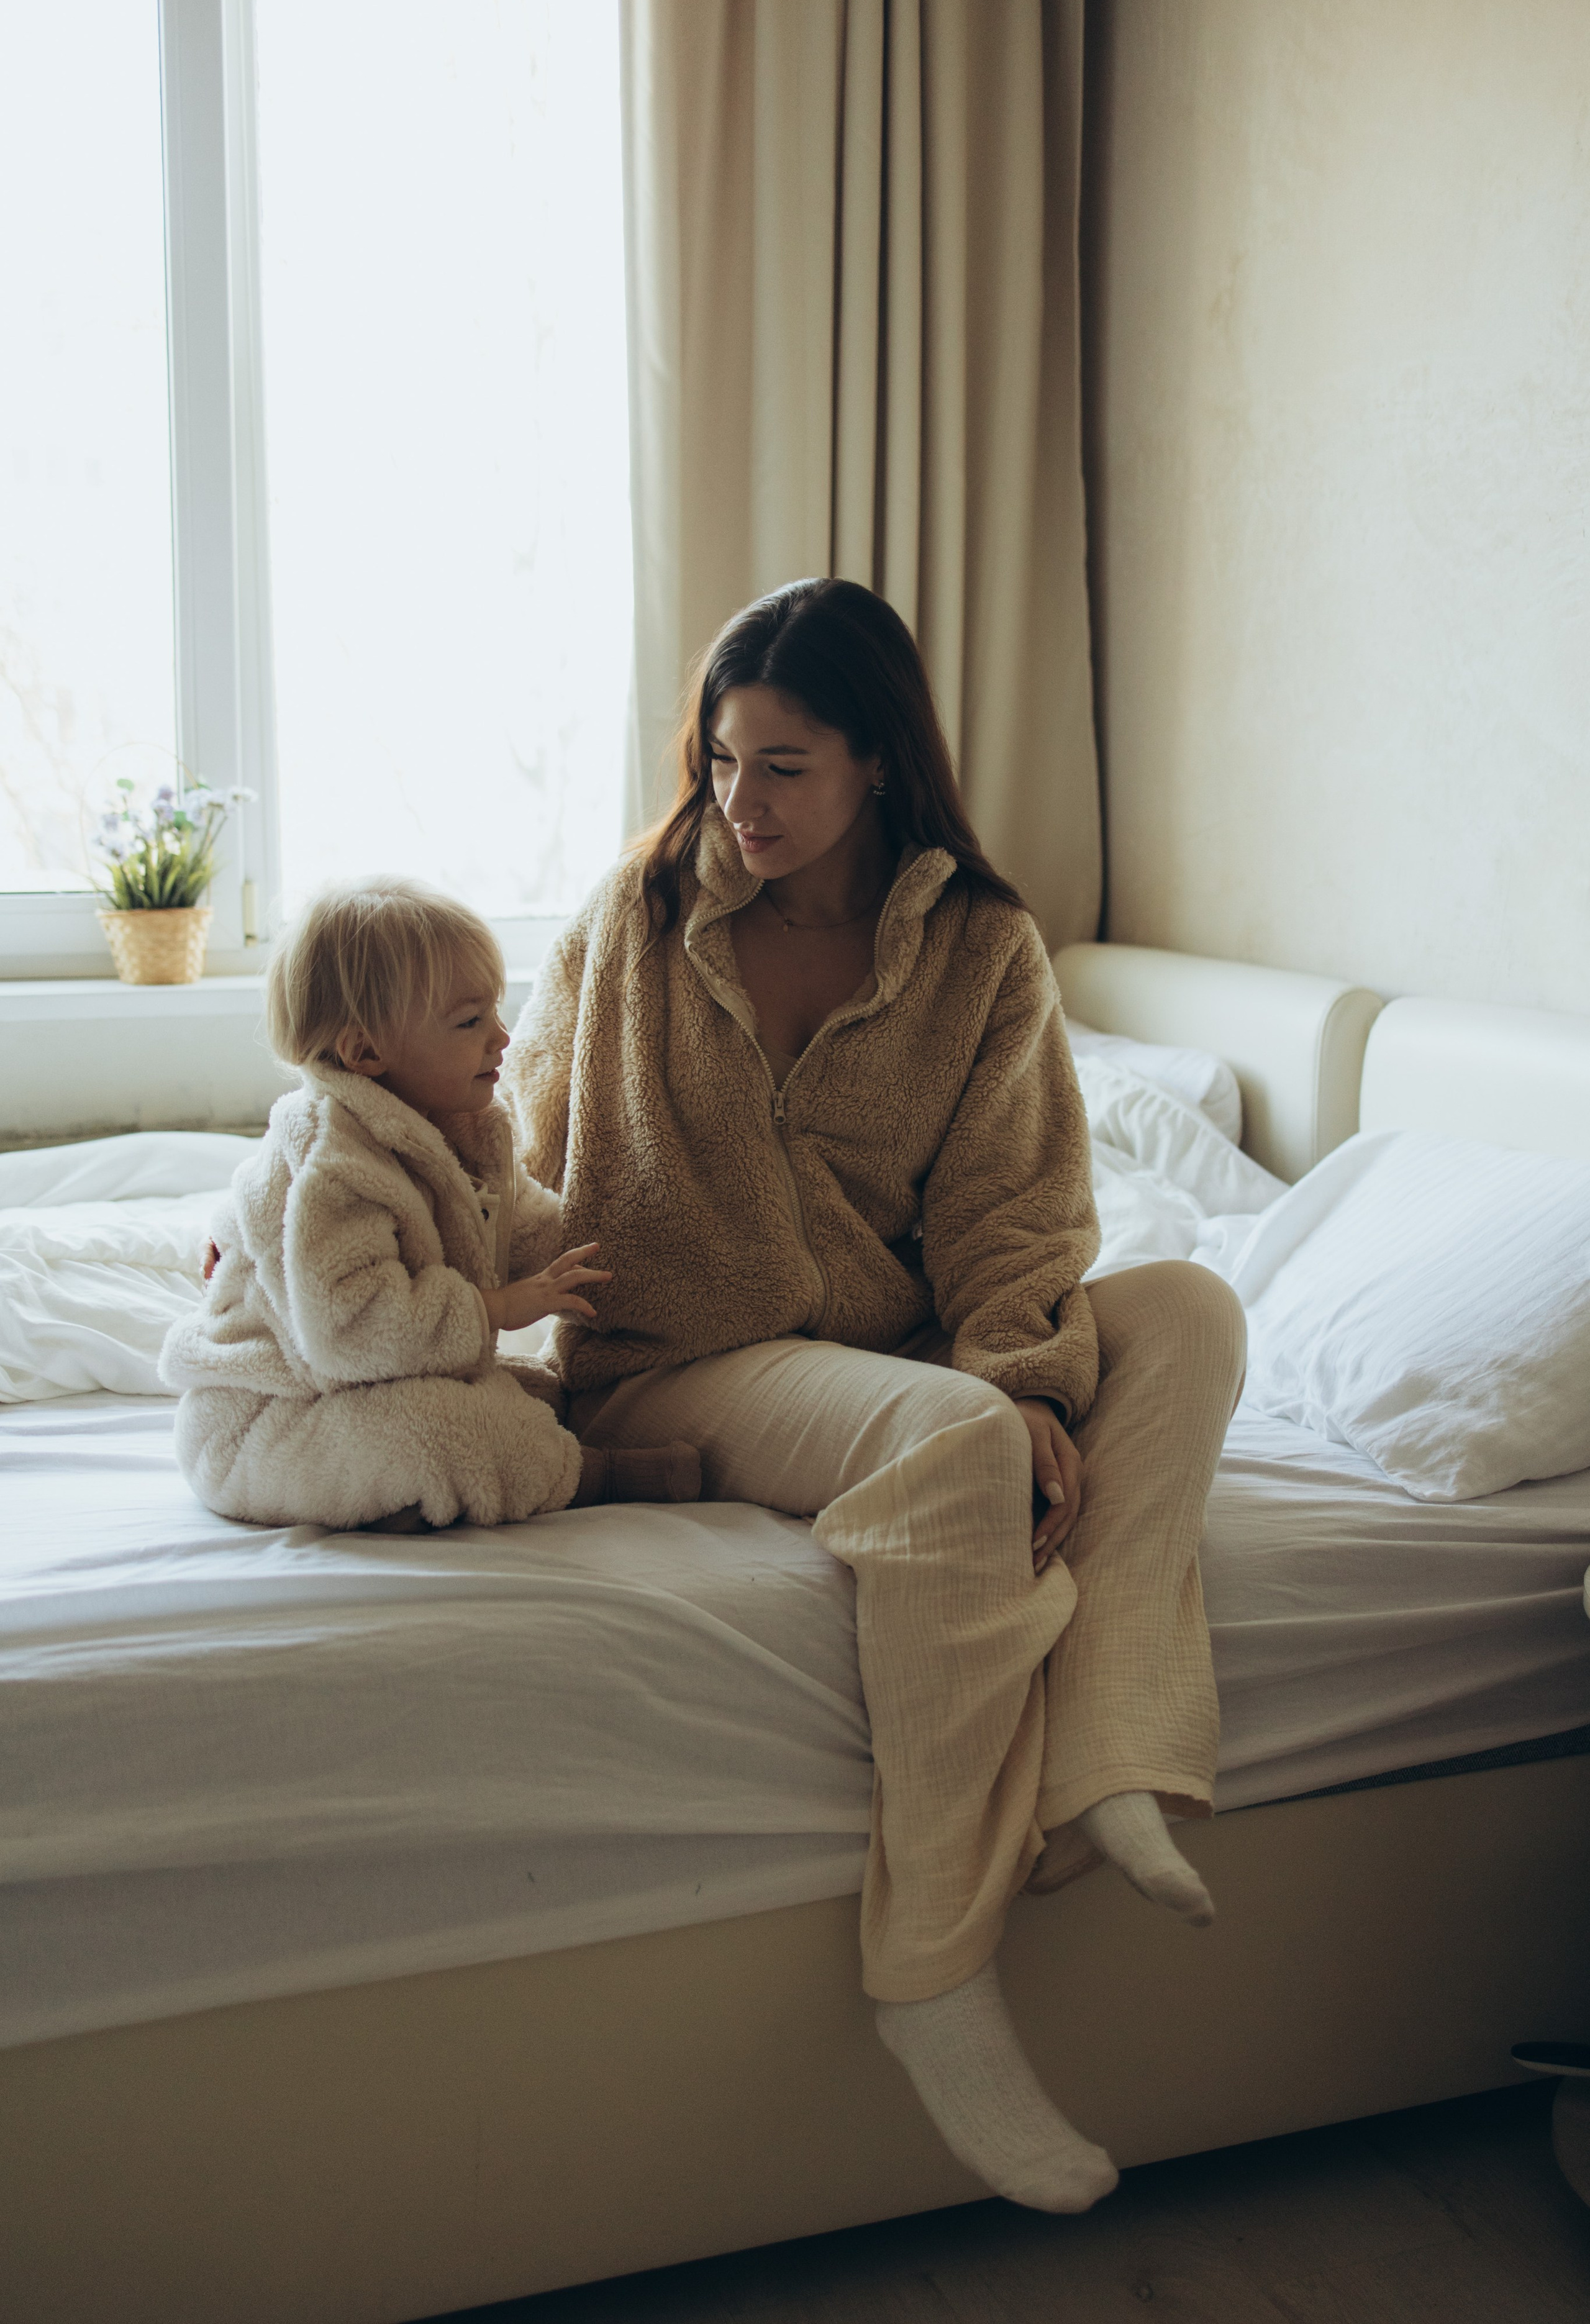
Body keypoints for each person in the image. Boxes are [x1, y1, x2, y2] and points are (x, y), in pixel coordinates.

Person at [503, 579, 1245, 2214]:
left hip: (890, 1354)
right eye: (721, 762)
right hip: (676, 1358)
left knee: (1189, 1310)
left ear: (878, 762)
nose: (741, 802)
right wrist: (343, 1215)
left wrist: (1021, 1370)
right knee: (957, 1434)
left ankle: (1111, 1745)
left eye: (784, 767)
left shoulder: (980, 947)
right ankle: (932, 1969)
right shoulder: (638, 916)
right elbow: (514, 1125)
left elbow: (1015, 1200)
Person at [160, 878, 699, 1529]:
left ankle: (420, 1492)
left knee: (541, 1393)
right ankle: (599, 1475)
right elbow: (352, 1330)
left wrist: (627, 1260)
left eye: (494, 1010)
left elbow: (518, 1227)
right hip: (265, 1420)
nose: (502, 1036)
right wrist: (497, 1308)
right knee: (447, 1430)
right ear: (367, 1052)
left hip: (354, 1389)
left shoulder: (458, 1125)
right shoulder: (336, 1165)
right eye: (470, 1022)